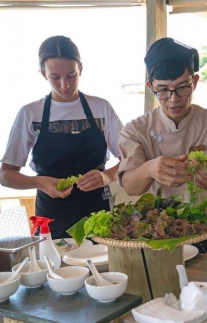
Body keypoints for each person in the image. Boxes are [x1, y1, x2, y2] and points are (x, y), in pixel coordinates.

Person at [117, 37, 207, 256]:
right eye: (162, 90)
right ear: (150, 86)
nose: (173, 99)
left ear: (196, 81)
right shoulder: (135, 130)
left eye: (183, 88)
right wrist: (149, 169)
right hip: (159, 236)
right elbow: (130, 186)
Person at [0, 35, 123, 239]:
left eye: (71, 75)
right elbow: (5, 175)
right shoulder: (30, 113)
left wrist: (106, 176)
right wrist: (40, 182)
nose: (65, 84)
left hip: (99, 211)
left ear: (80, 69)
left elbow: (130, 158)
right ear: (43, 73)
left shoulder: (101, 108)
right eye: (55, 77)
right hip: (51, 217)